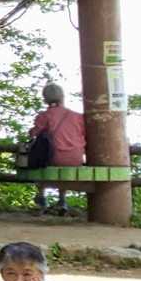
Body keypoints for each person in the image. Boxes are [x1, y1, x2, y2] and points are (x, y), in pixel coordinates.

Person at [29, 82, 87, 213]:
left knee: (39, 157)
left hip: (54, 158)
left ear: (45, 99)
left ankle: (41, 196)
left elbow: (34, 134)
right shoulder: (77, 116)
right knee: (61, 161)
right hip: (75, 158)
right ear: (62, 97)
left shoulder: (45, 116)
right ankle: (62, 200)